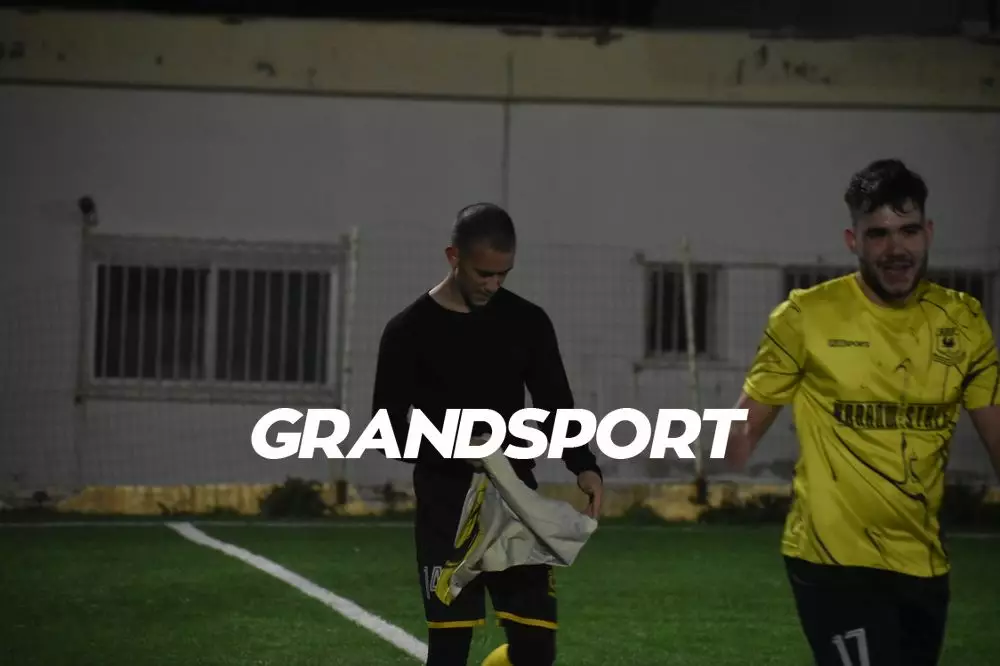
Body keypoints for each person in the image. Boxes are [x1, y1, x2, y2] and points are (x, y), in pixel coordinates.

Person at [726, 158, 1000, 666]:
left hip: (923, 561)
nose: (896, 249)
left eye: (908, 231)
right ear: (854, 241)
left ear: (928, 233)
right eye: (879, 234)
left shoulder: (963, 321)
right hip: (832, 561)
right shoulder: (805, 317)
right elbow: (741, 429)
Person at [371, 202, 604, 666]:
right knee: (450, 650)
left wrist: (584, 464)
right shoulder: (407, 331)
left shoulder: (528, 322)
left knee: (536, 648)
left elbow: (555, 402)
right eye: (484, 273)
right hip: (446, 508)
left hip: (515, 504)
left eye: (503, 274)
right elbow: (387, 431)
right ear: (453, 256)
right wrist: (459, 450)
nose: (493, 285)